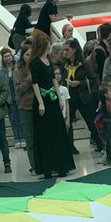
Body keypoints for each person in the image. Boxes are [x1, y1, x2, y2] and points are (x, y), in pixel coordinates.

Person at [27, 30, 73, 179]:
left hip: (53, 99)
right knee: (44, 134)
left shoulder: (49, 61)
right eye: (46, 45)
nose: (48, 48)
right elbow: (34, 83)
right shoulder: (35, 63)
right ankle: (46, 168)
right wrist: (41, 103)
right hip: (43, 100)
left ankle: (61, 165)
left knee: (58, 132)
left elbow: (54, 80)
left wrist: (60, 98)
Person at [63, 38, 103, 155]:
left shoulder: (84, 63)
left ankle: (101, 145)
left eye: (67, 49)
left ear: (74, 49)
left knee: (91, 122)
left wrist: (80, 83)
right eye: (64, 50)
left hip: (83, 97)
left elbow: (93, 79)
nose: (65, 52)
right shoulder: (64, 64)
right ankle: (70, 146)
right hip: (69, 98)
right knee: (68, 123)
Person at [12, 40, 37, 174]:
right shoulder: (17, 71)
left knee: (40, 138)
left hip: (38, 105)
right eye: (27, 54)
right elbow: (19, 89)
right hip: (25, 107)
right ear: (22, 56)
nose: (30, 57)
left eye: (32, 54)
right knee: (30, 139)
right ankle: (34, 166)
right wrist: (29, 79)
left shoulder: (36, 66)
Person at [0, 46, 24, 148]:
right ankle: (16, 139)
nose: (7, 58)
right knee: (13, 120)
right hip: (9, 99)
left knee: (20, 119)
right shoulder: (1, 72)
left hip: (18, 97)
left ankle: (23, 138)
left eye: (9, 56)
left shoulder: (17, 68)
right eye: (5, 56)